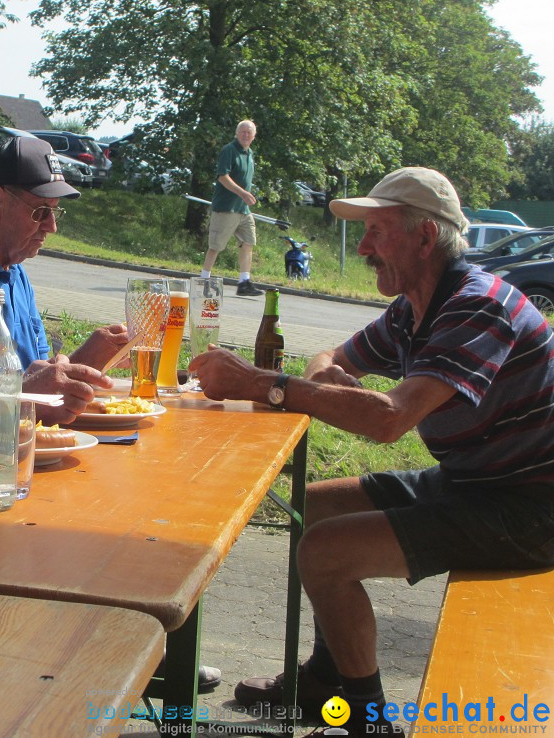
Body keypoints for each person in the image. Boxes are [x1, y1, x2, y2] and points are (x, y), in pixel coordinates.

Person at [191, 167, 554, 735]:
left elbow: (390, 420)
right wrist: (327, 375)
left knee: (327, 551)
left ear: (424, 237)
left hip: (529, 509)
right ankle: (323, 682)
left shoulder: (477, 305)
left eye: (377, 232)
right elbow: (330, 353)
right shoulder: (417, 306)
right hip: (474, 482)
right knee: (311, 507)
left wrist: (264, 383)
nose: (362, 247)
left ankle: (368, 722)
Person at [0, 135, 128, 426]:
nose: (51, 227)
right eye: (40, 212)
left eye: (55, 212)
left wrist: (87, 362)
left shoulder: (16, 271)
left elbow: (39, 377)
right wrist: (81, 364)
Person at [199, 120, 262, 296]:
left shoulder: (249, 153)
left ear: (254, 136)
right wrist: (243, 193)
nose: (245, 135)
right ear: (236, 133)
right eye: (242, 132)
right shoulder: (229, 150)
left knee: (249, 241)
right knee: (216, 246)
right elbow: (223, 177)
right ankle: (205, 280)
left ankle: (244, 282)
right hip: (226, 207)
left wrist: (244, 197)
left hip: (243, 210)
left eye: (249, 133)